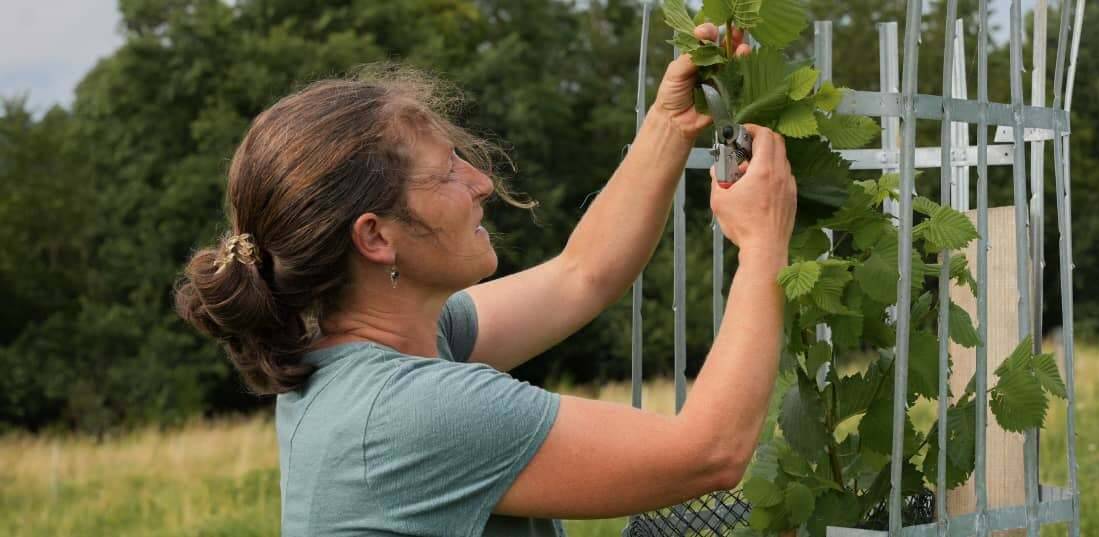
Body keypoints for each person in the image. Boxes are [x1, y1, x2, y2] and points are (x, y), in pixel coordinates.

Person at [175, 22, 795, 537]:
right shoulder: (415, 412)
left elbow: (582, 275)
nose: (481, 184)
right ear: (375, 237)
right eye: (447, 174)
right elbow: (708, 454)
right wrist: (765, 243)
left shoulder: (375, 352)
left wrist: (668, 124)